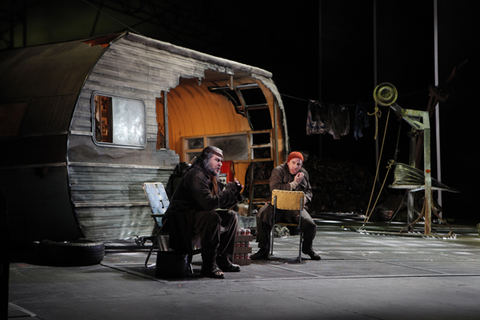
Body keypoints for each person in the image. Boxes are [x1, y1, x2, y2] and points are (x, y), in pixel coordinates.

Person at [163, 146, 244, 279]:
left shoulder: (210, 176)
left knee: (230, 216)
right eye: (217, 160)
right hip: (182, 218)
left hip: (196, 215)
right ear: (206, 160)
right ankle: (209, 265)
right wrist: (229, 192)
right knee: (211, 217)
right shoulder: (196, 175)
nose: (220, 164)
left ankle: (223, 259)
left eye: (221, 161)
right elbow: (208, 203)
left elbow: (219, 202)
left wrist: (235, 192)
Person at [251, 151, 321, 260]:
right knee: (263, 214)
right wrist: (294, 184)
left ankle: (307, 248)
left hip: (295, 208)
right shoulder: (278, 171)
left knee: (310, 224)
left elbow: (309, 192)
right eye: (293, 163)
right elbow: (275, 189)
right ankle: (263, 249)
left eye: (298, 164)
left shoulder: (304, 173)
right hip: (277, 206)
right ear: (288, 162)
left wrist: (305, 199)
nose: (295, 166)